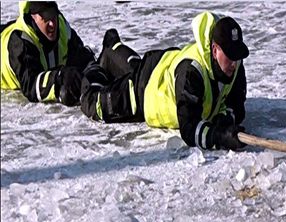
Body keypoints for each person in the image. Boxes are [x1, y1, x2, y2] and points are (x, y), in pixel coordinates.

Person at [80, 11, 249, 150]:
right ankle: (91, 65)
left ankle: (113, 46)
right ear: (214, 50)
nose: (234, 63)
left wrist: (225, 118)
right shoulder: (192, 72)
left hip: (163, 64)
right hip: (146, 90)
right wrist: (218, 137)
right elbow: (189, 129)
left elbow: (236, 105)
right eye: (229, 55)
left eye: (237, 55)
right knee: (94, 104)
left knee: (135, 67)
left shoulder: (235, 65)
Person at [1, 1, 95, 105]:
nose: (52, 23)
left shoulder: (62, 26)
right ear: (33, 17)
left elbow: (84, 59)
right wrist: (60, 77)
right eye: (46, 17)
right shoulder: (20, 41)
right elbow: (31, 86)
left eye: (53, 14)